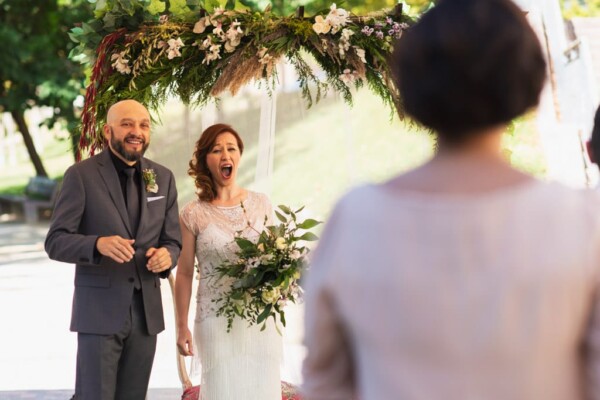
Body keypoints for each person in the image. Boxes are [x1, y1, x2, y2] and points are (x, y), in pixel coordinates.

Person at [302, 0, 600, 399]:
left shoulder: (356, 219)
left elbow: (326, 380)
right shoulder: (580, 221)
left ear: (410, 82)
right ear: (529, 78)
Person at [45, 99, 182, 399]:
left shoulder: (163, 178)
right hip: (98, 313)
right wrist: (97, 244)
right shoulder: (81, 176)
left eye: (144, 125)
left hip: (146, 316)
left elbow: (173, 241)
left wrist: (167, 256)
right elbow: (55, 241)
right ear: (108, 131)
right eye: (127, 124)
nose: (137, 131)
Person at [175, 123, 282, 399]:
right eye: (216, 150)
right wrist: (181, 326)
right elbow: (184, 273)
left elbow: (276, 260)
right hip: (215, 322)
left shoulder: (261, 204)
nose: (225, 155)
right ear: (205, 160)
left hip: (259, 320)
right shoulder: (192, 214)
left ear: (239, 156)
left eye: (231, 148)